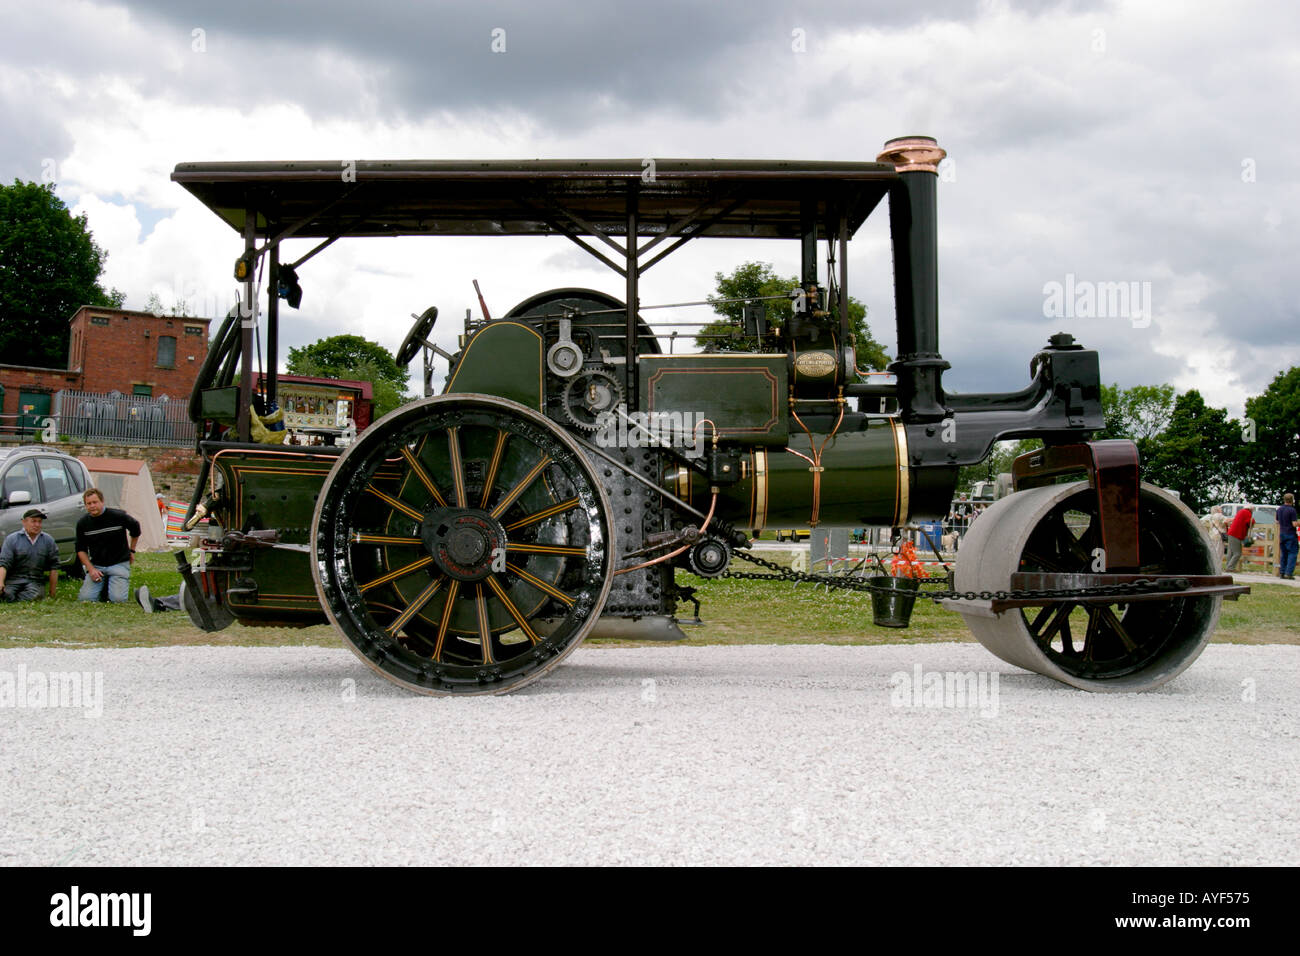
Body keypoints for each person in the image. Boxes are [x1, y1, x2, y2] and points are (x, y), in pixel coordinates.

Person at [75, 487, 141, 603]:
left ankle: (111, 585)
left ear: (102, 501)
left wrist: (132, 551)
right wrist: (91, 569)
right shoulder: (82, 523)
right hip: (97, 566)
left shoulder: (118, 516)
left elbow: (135, 529)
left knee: (118, 600)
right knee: (86, 599)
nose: (92, 506)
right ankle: (103, 585)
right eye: (88, 503)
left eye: (95, 502)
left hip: (118, 564)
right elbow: (80, 549)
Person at [0, 508, 59, 602]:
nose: (37, 525)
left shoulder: (48, 540)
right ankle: (11, 597)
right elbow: (3, 563)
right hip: (13, 581)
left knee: (35, 595)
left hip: (35, 581)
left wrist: (52, 593)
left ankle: (14, 599)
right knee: (6, 594)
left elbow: (54, 567)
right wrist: (1, 583)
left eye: (39, 522)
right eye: (33, 521)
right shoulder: (11, 539)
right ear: (24, 522)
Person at [1224, 505, 1254, 573]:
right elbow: (1250, 521)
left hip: (1231, 533)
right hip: (1236, 534)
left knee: (1231, 552)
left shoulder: (1240, 511)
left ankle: (1228, 566)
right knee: (1237, 553)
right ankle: (1230, 567)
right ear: (1251, 509)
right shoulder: (1247, 513)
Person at [1277, 493, 1297, 580]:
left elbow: (1277, 521)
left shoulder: (1279, 509)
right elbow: (1294, 524)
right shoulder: (1292, 510)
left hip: (1282, 533)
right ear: (1292, 500)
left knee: (1284, 553)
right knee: (1292, 553)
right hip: (1290, 533)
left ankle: (1282, 572)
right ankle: (1288, 573)